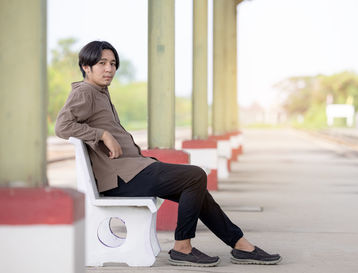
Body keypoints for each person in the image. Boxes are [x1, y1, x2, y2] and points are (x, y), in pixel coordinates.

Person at [55, 40, 282, 267]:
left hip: (132, 171)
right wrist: (102, 134)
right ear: (86, 66)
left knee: (197, 188)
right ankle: (183, 247)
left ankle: (240, 244)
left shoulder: (100, 92)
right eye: (102, 63)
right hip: (122, 178)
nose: (109, 69)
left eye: (113, 63)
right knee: (195, 177)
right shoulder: (85, 92)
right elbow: (62, 126)